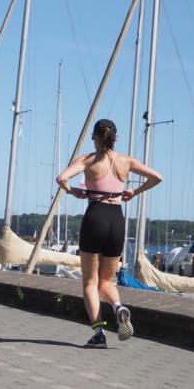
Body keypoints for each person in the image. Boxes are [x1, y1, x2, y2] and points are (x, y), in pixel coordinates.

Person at [57, 118, 162, 348]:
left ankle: (99, 334)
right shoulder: (125, 160)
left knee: (90, 282)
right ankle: (118, 306)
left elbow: (61, 178)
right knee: (106, 280)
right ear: (115, 138)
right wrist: (134, 191)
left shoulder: (87, 159)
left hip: (95, 217)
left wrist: (72, 191)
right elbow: (157, 177)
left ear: (95, 137)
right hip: (117, 220)